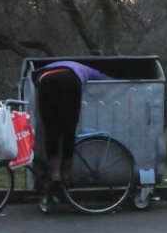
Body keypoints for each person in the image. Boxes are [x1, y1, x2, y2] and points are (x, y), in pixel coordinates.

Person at [33, 60, 111, 208]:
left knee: (51, 128)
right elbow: (104, 78)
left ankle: (54, 172)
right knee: (69, 128)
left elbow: (34, 79)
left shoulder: (44, 68)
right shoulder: (84, 68)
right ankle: (67, 173)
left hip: (46, 80)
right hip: (70, 80)